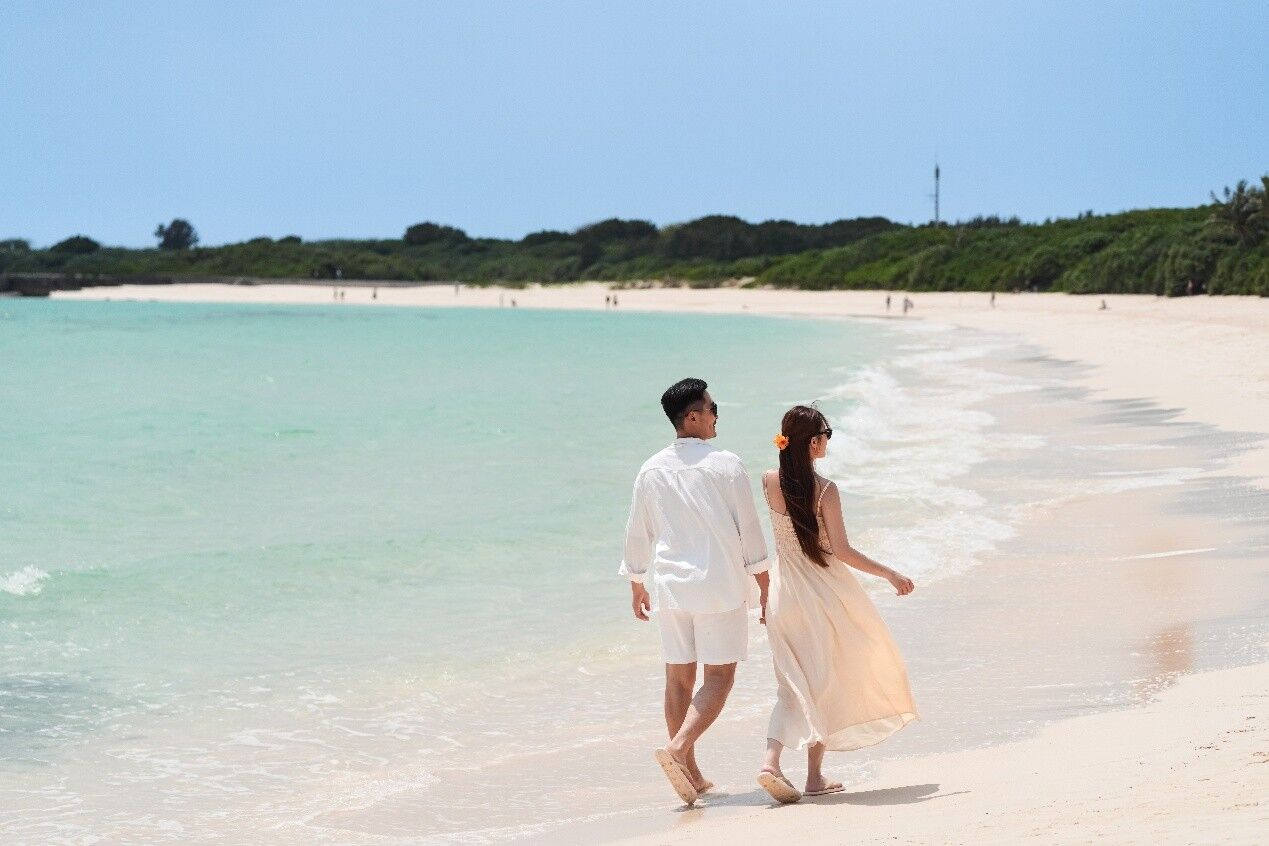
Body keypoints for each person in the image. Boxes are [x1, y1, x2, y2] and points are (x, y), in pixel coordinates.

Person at [756, 405, 918, 804]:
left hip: (783, 592)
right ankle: (808, 774)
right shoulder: (826, 490)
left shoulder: (767, 481)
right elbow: (841, 550)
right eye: (827, 435)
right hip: (822, 592)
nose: (828, 442)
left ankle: (774, 763)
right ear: (813, 442)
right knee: (824, 681)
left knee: (791, 683)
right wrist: (890, 574)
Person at [621, 378, 770, 807]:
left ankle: (690, 773)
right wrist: (764, 584)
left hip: (670, 587)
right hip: (718, 585)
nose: (716, 415)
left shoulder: (651, 468)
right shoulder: (726, 464)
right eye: (712, 407)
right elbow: (749, 530)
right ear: (692, 417)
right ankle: (677, 749)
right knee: (720, 677)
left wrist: (636, 583)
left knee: (677, 677)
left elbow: (637, 530)